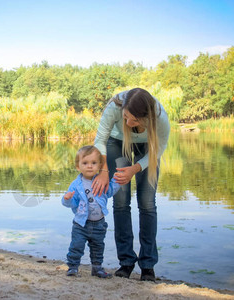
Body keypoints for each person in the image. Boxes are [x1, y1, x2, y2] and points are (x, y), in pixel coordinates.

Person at [92, 88, 170, 282]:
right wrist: (103, 172)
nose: (127, 123)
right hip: (117, 143)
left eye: (132, 120)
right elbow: (100, 140)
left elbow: (159, 148)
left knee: (147, 204)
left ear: (145, 118)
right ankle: (126, 262)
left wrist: (135, 168)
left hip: (148, 147)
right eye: (125, 116)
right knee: (120, 202)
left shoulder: (160, 117)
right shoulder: (114, 107)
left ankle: (148, 266)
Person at [62, 145, 120, 278]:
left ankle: (97, 268)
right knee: (76, 246)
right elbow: (71, 203)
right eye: (85, 163)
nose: (89, 166)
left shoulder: (101, 181)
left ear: (100, 165)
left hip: (99, 223)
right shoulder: (76, 185)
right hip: (81, 224)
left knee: (98, 247)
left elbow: (110, 191)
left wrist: (117, 181)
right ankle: (73, 267)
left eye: (94, 163)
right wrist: (67, 199)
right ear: (78, 166)